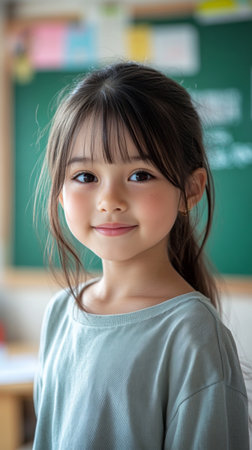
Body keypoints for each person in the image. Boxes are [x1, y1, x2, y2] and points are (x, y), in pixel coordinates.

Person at [33, 62, 249, 449]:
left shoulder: (192, 335)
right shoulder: (60, 312)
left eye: (140, 175)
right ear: (60, 190)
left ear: (190, 190)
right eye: (85, 177)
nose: (110, 201)